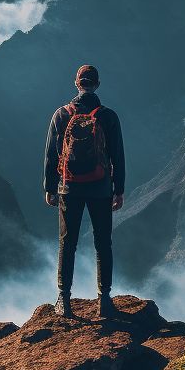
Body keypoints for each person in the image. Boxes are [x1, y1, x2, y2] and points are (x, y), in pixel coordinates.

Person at [43, 64, 125, 318]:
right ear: (97, 84)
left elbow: (50, 155)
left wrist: (50, 187)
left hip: (69, 188)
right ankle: (104, 300)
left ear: (77, 83)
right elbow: (118, 156)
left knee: (67, 244)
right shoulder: (108, 116)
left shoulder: (61, 115)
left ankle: (63, 300)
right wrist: (118, 189)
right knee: (103, 243)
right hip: (101, 189)